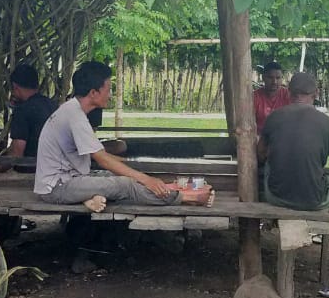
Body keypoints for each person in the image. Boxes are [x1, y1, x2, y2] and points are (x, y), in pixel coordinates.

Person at [33, 61, 206, 208]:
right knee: (125, 184)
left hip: (71, 179)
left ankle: (91, 199)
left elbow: (102, 156)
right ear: (93, 93)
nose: (110, 94)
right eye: (108, 89)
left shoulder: (73, 111)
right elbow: (102, 158)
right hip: (56, 188)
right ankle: (186, 198)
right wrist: (146, 179)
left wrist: (135, 167)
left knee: (120, 177)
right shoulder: (75, 116)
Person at [257, 72, 329, 211]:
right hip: (314, 199)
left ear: (288, 92)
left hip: (276, 197)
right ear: (316, 93)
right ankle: (327, 200)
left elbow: (261, 154)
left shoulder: (273, 117)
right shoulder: (326, 122)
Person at [0, 64, 55, 173]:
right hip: (54, 168)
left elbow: (16, 154)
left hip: (32, 172)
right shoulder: (52, 105)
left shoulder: (22, 111)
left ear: (15, 87)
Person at [253, 61, 291, 133]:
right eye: (270, 77)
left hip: (283, 139)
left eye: (278, 78)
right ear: (263, 77)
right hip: (259, 140)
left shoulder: (288, 95)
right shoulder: (255, 97)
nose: (274, 82)